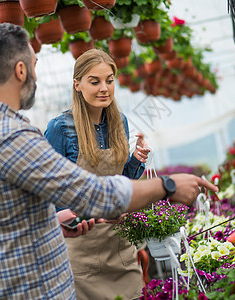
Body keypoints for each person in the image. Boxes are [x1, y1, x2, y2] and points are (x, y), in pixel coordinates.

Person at [0, 23, 218, 300]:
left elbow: (10, 219)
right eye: (34, 64)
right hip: (36, 287)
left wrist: (56, 219)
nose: (104, 88)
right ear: (21, 70)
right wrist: (168, 185)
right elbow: (92, 194)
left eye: (109, 80)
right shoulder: (14, 135)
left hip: (6, 285)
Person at [44, 48, 150, 300]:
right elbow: (49, 193)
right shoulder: (60, 128)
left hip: (119, 244)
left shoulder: (119, 122)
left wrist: (135, 161)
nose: (104, 88)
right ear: (77, 84)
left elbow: (120, 182)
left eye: (109, 81)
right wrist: (86, 214)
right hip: (80, 250)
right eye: (95, 81)